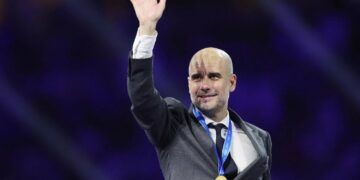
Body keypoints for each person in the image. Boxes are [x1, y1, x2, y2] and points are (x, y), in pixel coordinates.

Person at [127, 0, 272, 179]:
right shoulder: (173, 125)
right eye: (197, 78)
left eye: (214, 76)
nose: (204, 85)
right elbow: (142, 98)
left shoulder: (259, 138)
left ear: (232, 82)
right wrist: (147, 28)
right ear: (189, 84)